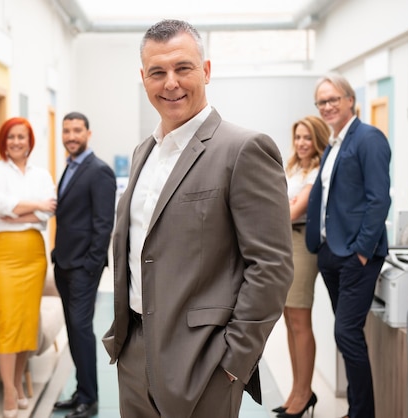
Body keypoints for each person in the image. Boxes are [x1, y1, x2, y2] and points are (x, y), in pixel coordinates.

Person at [102, 19, 294, 418]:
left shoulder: (243, 149)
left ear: (205, 70)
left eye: (183, 68)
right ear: (144, 78)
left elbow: (272, 267)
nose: (170, 82)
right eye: (157, 72)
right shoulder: (144, 152)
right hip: (134, 350)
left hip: (204, 361)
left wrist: (233, 363)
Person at [305, 73, 391, 418]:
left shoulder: (369, 138)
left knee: (347, 333)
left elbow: (378, 199)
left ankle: (362, 414)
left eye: (332, 100)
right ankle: (356, 408)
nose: (327, 107)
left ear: (349, 100)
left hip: (356, 256)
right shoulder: (334, 142)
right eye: (321, 102)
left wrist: (361, 250)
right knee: (346, 335)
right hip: (331, 253)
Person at [0, 117, 57, 418]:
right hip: (2, 254)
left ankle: (16, 380)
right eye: (11, 137)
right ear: (3, 140)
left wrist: (25, 211)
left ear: (29, 141)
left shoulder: (41, 174)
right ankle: (9, 392)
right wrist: (34, 207)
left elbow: (48, 211)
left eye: (21, 137)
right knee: (7, 320)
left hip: (33, 255)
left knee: (27, 321)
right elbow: (1, 207)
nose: (16, 142)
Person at [51, 112, 116, 418]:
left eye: (77, 130)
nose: (71, 136)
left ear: (88, 133)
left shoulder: (98, 170)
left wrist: (91, 265)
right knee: (76, 332)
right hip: (64, 264)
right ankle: (81, 389)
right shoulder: (69, 167)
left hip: (82, 268)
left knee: (81, 330)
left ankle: (89, 399)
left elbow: (104, 225)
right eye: (66, 131)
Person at [273, 116, 329, 418]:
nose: (301, 143)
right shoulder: (294, 167)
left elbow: (293, 210)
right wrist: (284, 205)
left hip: (301, 246)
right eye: (298, 137)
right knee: (288, 318)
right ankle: (296, 391)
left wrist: (285, 206)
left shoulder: (318, 171)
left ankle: (305, 394)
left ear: (318, 139)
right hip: (284, 243)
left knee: (299, 319)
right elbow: (279, 205)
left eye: (307, 137)